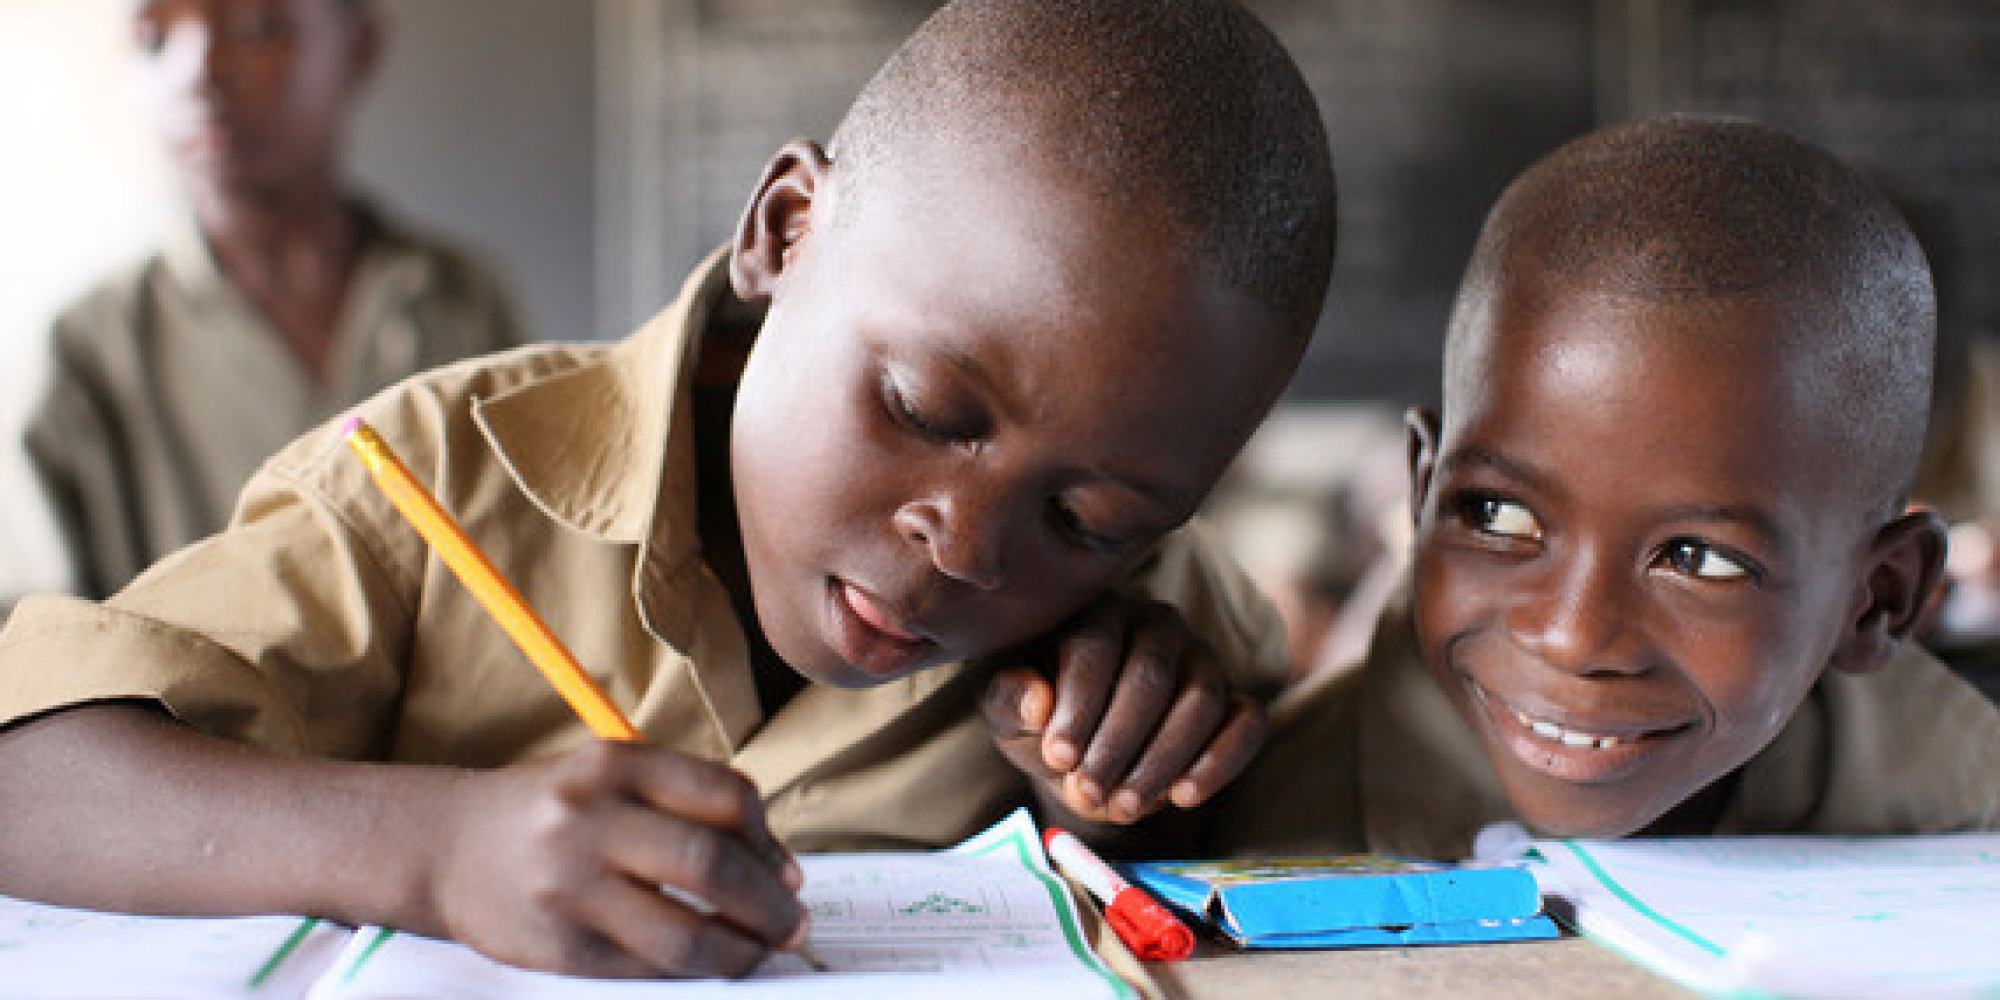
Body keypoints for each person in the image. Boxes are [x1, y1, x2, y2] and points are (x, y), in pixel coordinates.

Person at [0, 0, 1337, 981]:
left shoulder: (1157, 611)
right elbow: (28, 777)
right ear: (782, 231)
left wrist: (1120, 790)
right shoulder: (438, 480)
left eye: (1087, 521)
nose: (967, 546)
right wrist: (435, 850)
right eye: (925, 411)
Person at [1212, 115, 2000, 862]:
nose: (1574, 637)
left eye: (1699, 559)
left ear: (1879, 599)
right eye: (1497, 514)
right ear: (1421, 497)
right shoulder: (1229, 827)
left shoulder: (1963, 823)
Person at [9, 0, 524, 610]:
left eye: (258, 27)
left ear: (356, 49)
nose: (197, 69)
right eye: (154, 40)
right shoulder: (79, 358)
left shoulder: (460, 304)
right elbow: (32, 667)